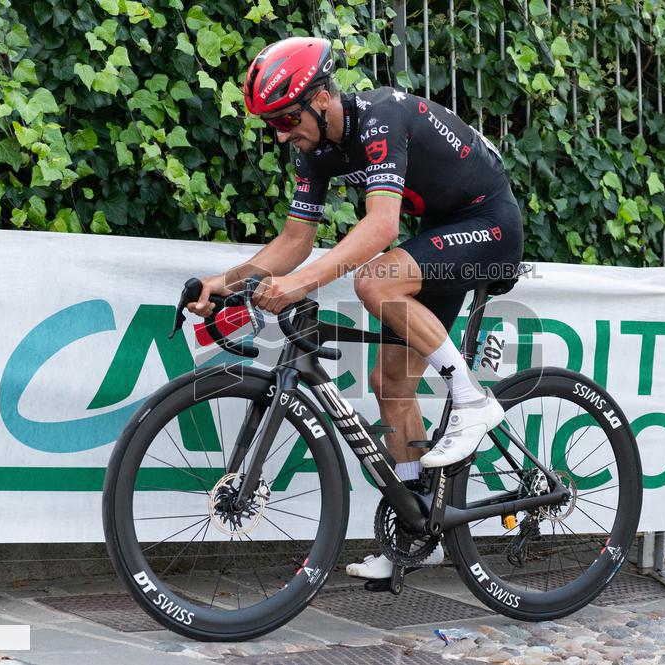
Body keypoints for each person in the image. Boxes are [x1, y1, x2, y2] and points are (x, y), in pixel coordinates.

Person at [186, 37, 524, 579]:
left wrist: (297, 287)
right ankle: (416, 534)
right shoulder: (314, 151)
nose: (281, 133)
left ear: (321, 97)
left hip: (490, 223)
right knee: (390, 379)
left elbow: (382, 226)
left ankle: (471, 398)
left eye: (287, 118)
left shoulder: (381, 118)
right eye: (272, 123)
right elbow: (295, 240)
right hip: (443, 234)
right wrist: (222, 284)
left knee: (374, 281)